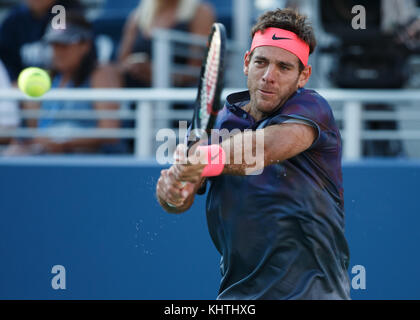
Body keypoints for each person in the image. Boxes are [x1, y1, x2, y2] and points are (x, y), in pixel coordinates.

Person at [156, 8, 351, 300]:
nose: (269, 76)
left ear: (303, 76)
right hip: (237, 297)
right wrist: (172, 191)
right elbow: (178, 200)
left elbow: (265, 147)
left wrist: (204, 160)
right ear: (247, 63)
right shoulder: (218, 123)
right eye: (261, 62)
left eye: (284, 67)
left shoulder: (313, 109)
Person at [3, 13, 123, 156]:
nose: (57, 52)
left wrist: (64, 143)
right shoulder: (48, 78)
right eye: (54, 45)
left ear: (85, 45)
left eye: (65, 45)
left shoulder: (101, 73)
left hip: (87, 160)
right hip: (47, 158)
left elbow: (110, 132)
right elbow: (35, 132)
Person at [117, 0, 215, 88]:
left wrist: (159, 74)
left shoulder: (200, 12)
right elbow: (122, 61)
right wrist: (134, 66)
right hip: (135, 84)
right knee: (106, 71)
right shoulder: (137, 16)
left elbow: (198, 69)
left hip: (177, 90)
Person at [0, 0, 84, 82]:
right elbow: (6, 58)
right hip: (21, 87)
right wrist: (14, 81)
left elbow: (75, 62)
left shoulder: (69, 11)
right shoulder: (13, 19)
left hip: (61, 85)